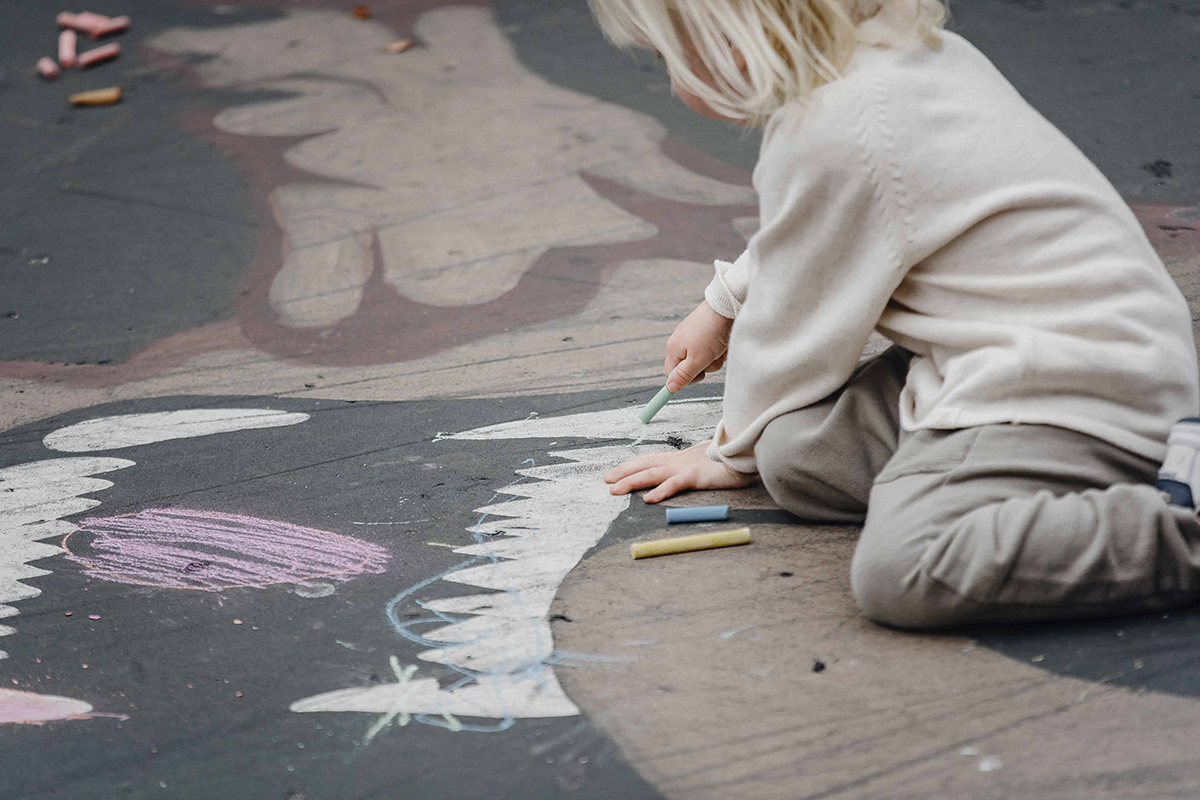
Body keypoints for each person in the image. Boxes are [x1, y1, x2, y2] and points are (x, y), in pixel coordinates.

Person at [591, 0, 1200, 628]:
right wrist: (722, 306)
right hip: (1051, 351)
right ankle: (1025, 489)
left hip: (1067, 390)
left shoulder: (833, 128)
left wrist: (726, 450)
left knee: (904, 567)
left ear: (731, 41)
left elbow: (793, 331)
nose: (670, 79)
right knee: (795, 455)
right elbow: (817, 230)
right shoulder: (899, 61)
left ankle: (1180, 527)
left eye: (669, 55)